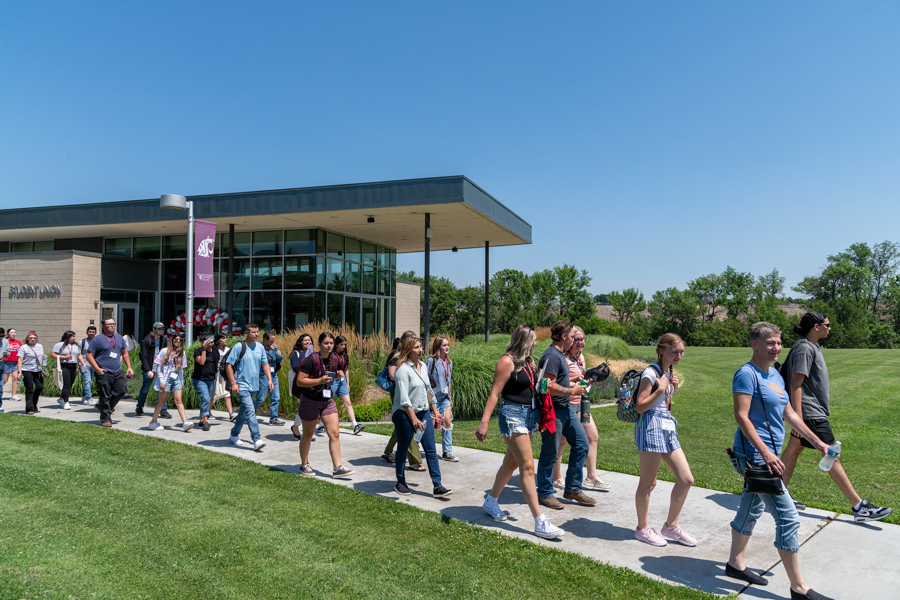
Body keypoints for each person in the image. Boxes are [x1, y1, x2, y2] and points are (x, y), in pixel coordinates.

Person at [726, 322, 834, 600]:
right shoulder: (746, 374)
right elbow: (742, 416)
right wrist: (765, 452)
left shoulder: (774, 374)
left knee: (750, 507)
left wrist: (819, 442)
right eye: (771, 343)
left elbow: (791, 414)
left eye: (778, 342)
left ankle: (734, 565)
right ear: (755, 344)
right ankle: (799, 589)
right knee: (788, 517)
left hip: (766, 454)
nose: (777, 348)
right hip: (754, 455)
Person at [780, 312, 892, 522]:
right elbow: (795, 383)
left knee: (794, 448)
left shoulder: (810, 346)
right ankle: (859, 506)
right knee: (831, 453)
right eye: (827, 325)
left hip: (809, 411)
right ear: (816, 326)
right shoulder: (804, 348)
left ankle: (778, 495)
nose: (829, 328)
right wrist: (799, 419)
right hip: (809, 412)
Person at [476, 325, 565, 539]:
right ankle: (539, 521)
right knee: (527, 466)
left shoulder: (529, 362)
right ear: (524, 340)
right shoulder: (507, 361)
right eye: (533, 340)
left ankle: (491, 500)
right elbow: (495, 394)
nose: (536, 344)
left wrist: (542, 385)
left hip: (529, 416)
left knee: (511, 463)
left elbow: (530, 389)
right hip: (512, 415)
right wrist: (484, 422)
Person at [632, 333, 696, 547]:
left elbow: (662, 403)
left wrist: (671, 389)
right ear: (661, 350)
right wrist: (660, 388)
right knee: (648, 483)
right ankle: (642, 528)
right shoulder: (650, 373)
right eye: (674, 351)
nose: (679, 355)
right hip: (650, 426)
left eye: (681, 351)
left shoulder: (667, 372)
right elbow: (640, 406)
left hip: (667, 427)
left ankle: (671, 526)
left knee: (686, 479)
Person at [535, 320, 594, 510]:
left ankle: (573, 489)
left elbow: (557, 380)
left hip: (565, 408)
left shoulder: (559, 355)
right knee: (550, 452)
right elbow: (547, 386)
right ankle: (544, 494)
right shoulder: (552, 356)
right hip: (554, 411)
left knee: (581, 444)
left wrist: (574, 380)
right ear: (564, 337)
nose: (574, 340)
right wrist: (573, 391)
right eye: (572, 336)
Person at [391, 335, 452, 498]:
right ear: (408, 350)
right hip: (404, 413)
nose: (420, 350)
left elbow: (428, 391)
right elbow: (404, 399)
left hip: (423, 412)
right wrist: (414, 419)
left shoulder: (423, 366)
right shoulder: (402, 370)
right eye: (416, 347)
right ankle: (400, 482)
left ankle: (437, 486)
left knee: (431, 449)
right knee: (403, 448)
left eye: (421, 347)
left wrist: (434, 410)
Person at [552, 326, 610, 491]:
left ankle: (591, 477)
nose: (579, 342)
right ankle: (556, 477)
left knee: (593, 436)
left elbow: (581, 380)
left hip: (582, 404)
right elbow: (560, 382)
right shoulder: (563, 359)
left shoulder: (580, 358)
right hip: (567, 404)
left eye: (582, 339)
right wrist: (578, 383)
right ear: (568, 339)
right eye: (576, 339)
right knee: (562, 441)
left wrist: (592, 378)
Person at [294, 331, 353, 478]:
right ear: (319, 344)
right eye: (326, 343)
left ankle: (337, 467)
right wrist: (319, 380)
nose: (329, 346)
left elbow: (332, 375)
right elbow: (300, 381)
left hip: (327, 401)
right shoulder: (311, 359)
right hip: (310, 400)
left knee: (335, 434)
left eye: (331, 343)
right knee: (307, 434)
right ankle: (304, 465)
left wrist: (338, 376)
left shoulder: (334, 358)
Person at [380, 331, 425, 470]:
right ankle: (415, 461)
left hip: (411, 393)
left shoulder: (415, 360)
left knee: (400, 426)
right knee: (409, 423)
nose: (416, 345)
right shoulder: (396, 355)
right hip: (399, 393)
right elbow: (393, 376)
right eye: (412, 340)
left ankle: (388, 451)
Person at [225, 323, 271, 451]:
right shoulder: (239, 346)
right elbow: (229, 365)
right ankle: (257, 439)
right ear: (246, 333)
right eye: (253, 332)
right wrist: (233, 383)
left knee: (244, 411)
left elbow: (265, 364)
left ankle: (234, 434)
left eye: (257, 332)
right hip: (241, 385)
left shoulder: (260, 347)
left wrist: (269, 380)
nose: (256, 334)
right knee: (251, 411)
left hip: (254, 385)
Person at [85, 318, 134, 428]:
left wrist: (129, 367)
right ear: (103, 326)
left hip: (117, 370)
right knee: (105, 395)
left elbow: (124, 353)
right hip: (104, 371)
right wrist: (97, 369)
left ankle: (103, 408)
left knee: (121, 390)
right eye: (109, 324)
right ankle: (105, 418)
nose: (112, 326)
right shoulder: (97, 339)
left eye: (113, 324)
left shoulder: (119, 338)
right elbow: (89, 355)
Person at [147, 334, 193, 432]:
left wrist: (181, 381)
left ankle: (185, 422)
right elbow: (158, 367)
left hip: (175, 377)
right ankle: (153, 422)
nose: (178, 341)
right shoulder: (164, 351)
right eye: (176, 339)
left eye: (180, 340)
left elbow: (181, 370)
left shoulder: (182, 353)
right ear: (172, 340)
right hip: (164, 377)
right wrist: (161, 381)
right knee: (162, 401)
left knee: (178, 400)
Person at [426, 335, 456, 461]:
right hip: (433, 396)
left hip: (444, 397)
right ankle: (416, 447)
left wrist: (450, 397)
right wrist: (428, 400)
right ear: (438, 347)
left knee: (447, 422)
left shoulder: (449, 362)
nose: (447, 347)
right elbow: (426, 381)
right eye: (444, 345)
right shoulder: (431, 361)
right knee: (429, 425)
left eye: (447, 344)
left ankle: (447, 451)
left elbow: (448, 382)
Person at [331, 335, 365, 435]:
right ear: (336, 345)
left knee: (348, 403)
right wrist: (336, 373)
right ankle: (321, 425)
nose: (344, 347)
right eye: (341, 344)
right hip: (333, 381)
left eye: (345, 344)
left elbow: (346, 369)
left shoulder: (344, 355)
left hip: (342, 381)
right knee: (328, 403)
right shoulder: (331, 355)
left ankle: (355, 425)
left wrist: (348, 383)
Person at [136, 323, 170, 418]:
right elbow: (144, 357)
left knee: (162, 389)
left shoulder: (164, 340)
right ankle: (139, 406)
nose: (162, 330)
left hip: (160, 369)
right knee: (145, 389)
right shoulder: (147, 340)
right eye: (159, 329)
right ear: (154, 329)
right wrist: (148, 370)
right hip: (150, 369)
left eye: (163, 329)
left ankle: (163, 410)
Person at [289, 332, 314, 440]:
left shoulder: (313, 354)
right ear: (301, 342)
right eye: (305, 340)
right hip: (299, 384)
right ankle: (299, 429)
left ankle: (296, 427)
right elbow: (295, 368)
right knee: (304, 407)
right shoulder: (296, 354)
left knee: (305, 407)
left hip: (310, 383)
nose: (308, 342)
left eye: (309, 340)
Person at [192, 333, 219, 431]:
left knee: (207, 400)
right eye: (208, 340)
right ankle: (206, 421)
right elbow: (202, 362)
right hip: (199, 379)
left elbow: (217, 362)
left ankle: (201, 419)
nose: (210, 342)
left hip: (211, 379)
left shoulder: (215, 350)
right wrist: (204, 349)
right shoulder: (198, 351)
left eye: (211, 340)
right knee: (205, 398)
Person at [257, 331, 285, 426]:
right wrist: (271, 352)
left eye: (274, 341)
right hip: (263, 375)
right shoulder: (259, 348)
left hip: (273, 375)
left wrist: (278, 354)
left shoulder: (273, 347)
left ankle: (274, 419)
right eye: (271, 341)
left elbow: (279, 360)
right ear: (265, 340)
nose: (273, 343)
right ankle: (245, 413)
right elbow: (263, 360)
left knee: (276, 397)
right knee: (261, 398)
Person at [17, 331, 46, 415]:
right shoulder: (23, 347)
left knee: (40, 387)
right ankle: (29, 408)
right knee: (29, 389)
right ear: (27, 339)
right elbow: (20, 360)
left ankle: (34, 404)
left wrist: (44, 357)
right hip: (27, 370)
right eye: (31, 338)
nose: (33, 339)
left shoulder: (40, 346)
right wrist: (19, 371)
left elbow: (41, 356)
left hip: (38, 370)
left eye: (34, 338)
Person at [51, 330, 80, 410]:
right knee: (66, 384)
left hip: (73, 365)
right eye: (73, 336)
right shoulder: (59, 345)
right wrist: (64, 357)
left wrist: (78, 366)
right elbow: (53, 355)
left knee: (71, 383)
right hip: (64, 365)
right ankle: (66, 402)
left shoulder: (76, 346)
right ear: (68, 337)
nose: (74, 338)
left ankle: (61, 399)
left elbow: (77, 356)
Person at [212, 333, 235, 421]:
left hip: (225, 373)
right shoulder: (214, 350)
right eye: (223, 338)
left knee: (227, 393)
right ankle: (208, 411)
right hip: (215, 373)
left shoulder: (228, 350)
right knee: (212, 393)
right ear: (218, 340)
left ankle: (231, 414)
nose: (225, 340)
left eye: (226, 338)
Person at [78, 325, 98, 405]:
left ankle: (84, 396)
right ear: (87, 332)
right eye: (90, 332)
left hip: (93, 364)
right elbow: (78, 354)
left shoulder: (97, 341)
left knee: (91, 382)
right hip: (84, 364)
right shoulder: (82, 342)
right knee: (87, 381)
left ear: (95, 333)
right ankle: (89, 398)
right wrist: (81, 364)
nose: (91, 333)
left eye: (93, 332)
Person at [3, 328, 22, 402]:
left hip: (15, 362)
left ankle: (13, 395)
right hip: (6, 362)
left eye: (14, 332)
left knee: (15, 378)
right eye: (11, 332)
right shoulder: (5, 341)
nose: (13, 334)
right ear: (8, 334)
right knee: (4, 379)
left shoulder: (18, 342)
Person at [0, 328, 8, 412]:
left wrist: (6, 354)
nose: (1, 338)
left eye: (2, 336)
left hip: (1, 368)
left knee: (0, 387)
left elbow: (8, 353)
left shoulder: (5, 342)